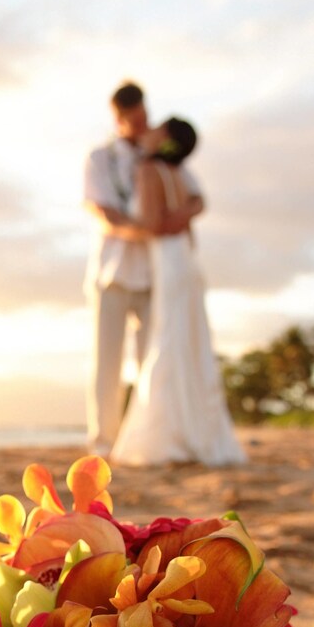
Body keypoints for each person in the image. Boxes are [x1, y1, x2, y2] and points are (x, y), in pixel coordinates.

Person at [110, 118, 247, 467]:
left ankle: (167, 436)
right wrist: (182, 216)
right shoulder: (179, 174)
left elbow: (154, 225)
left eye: (158, 128)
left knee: (169, 340)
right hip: (184, 258)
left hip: (168, 260)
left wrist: (122, 229)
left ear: (165, 139)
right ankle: (200, 433)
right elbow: (195, 207)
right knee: (190, 341)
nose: (150, 129)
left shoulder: (149, 170)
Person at [83, 82, 203, 457]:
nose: (141, 125)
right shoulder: (101, 159)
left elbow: (196, 197)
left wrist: (174, 219)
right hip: (114, 272)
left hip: (155, 276)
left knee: (152, 359)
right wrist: (145, 230)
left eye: (144, 117)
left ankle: (147, 435)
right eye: (134, 120)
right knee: (107, 362)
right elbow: (101, 212)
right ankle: (103, 444)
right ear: (118, 120)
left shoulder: (162, 155)